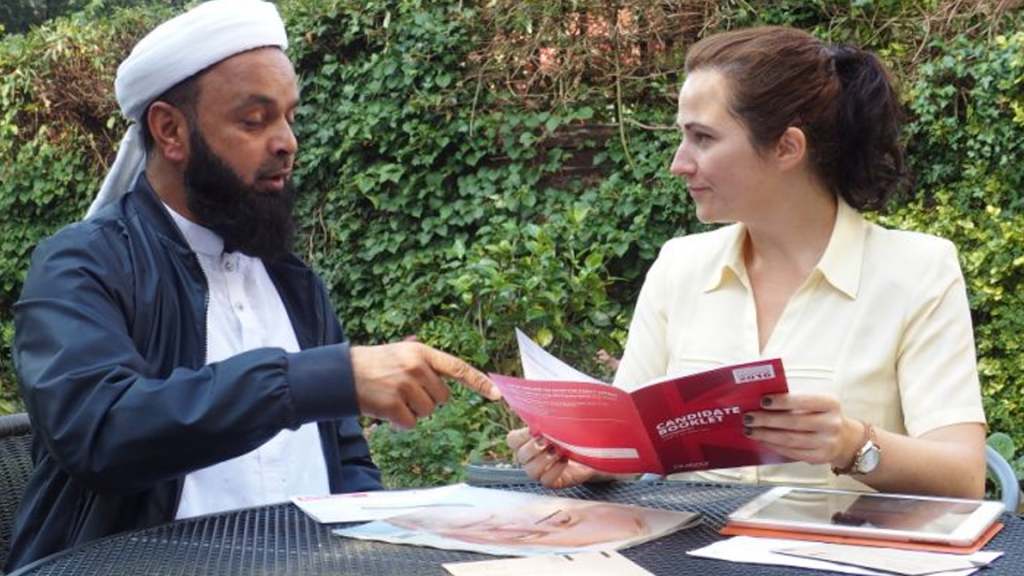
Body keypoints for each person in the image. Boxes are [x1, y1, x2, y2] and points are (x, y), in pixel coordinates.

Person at [6, 0, 499, 571]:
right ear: (170, 131)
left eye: (289, 116)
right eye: (255, 120)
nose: (287, 141)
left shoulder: (294, 282)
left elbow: (344, 457)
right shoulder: (80, 265)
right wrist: (315, 378)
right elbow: (99, 430)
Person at [508, 26, 986, 499]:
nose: (679, 162)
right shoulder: (680, 266)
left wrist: (851, 444)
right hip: (686, 556)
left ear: (786, 148)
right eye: (683, 136)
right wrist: (584, 457)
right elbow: (629, 445)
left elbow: (963, 478)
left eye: (703, 138)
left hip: (842, 558)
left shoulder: (917, 271)